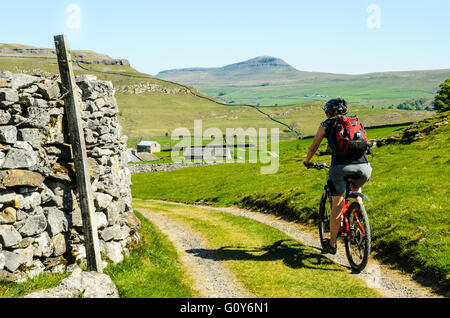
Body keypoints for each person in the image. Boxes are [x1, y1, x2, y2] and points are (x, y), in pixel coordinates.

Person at [303, 98, 372, 254]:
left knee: (337, 204)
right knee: (355, 188)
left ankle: (332, 244)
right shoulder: (355, 122)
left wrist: (307, 161)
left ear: (328, 112)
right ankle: (358, 212)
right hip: (364, 167)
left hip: (340, 167)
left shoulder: (326, 124)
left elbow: (313, 147)